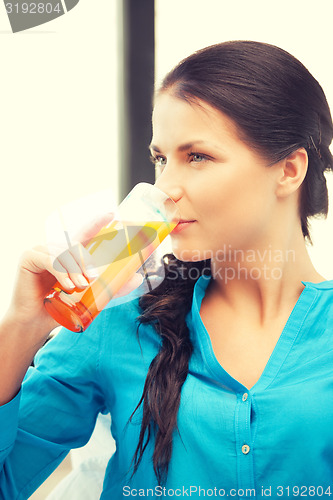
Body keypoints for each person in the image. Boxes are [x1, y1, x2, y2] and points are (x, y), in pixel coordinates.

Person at [1, 40, 333, 499]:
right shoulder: (114, 323)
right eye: (161, 159)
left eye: (197, 156)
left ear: (289, 170)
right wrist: (21, 326)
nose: (164, 188)